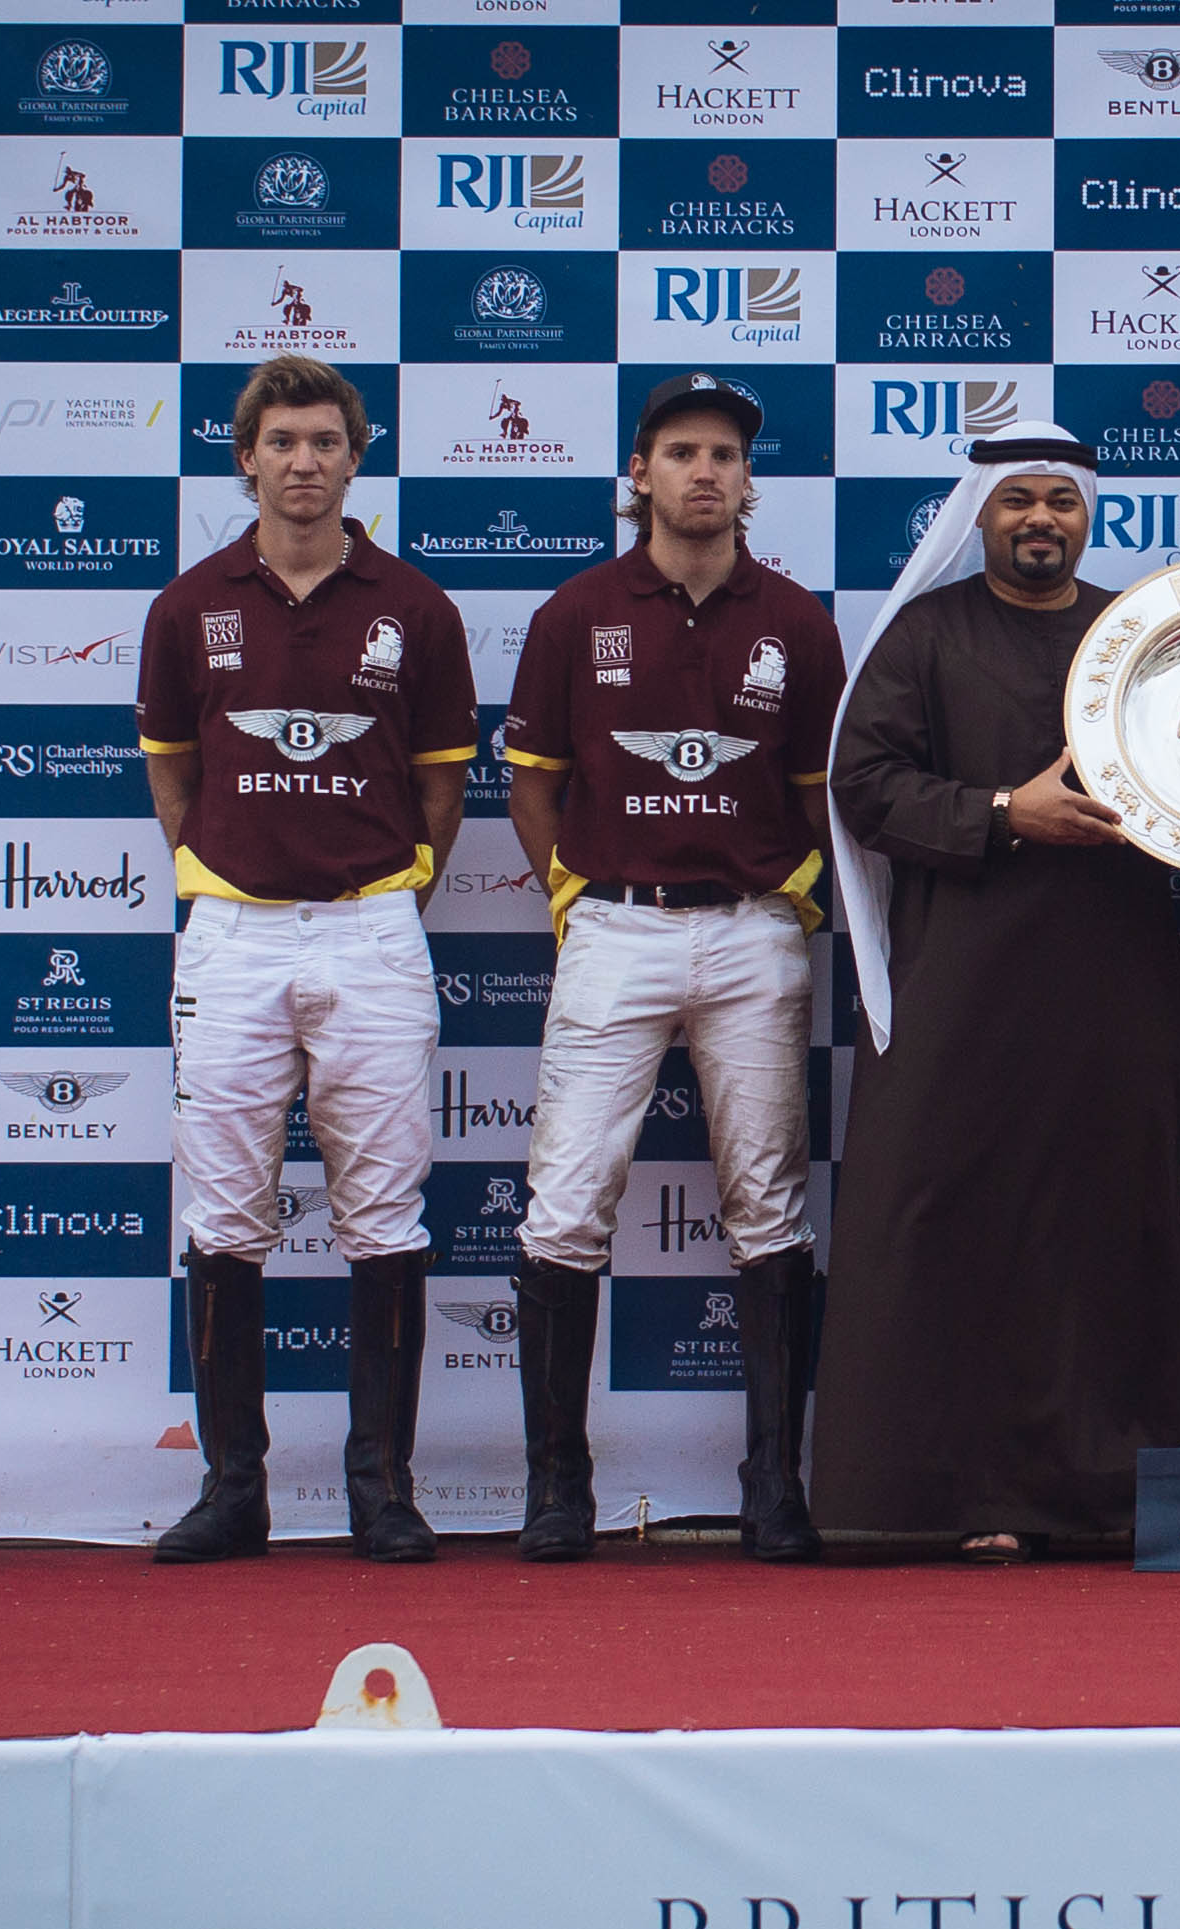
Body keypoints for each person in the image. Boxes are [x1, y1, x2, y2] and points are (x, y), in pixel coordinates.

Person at [809, 425, 1180, 1560]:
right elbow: (863, 783)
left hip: (1114, 979)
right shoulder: (925, 634)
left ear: (1088, 516)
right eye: (1017, 499)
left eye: (1060, 502)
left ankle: (1093, 1502)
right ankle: (925, 1498)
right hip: (957, 977)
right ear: (979, 513)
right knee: (938, 1217)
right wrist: (1000, 813)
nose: (1039, 520)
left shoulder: (1140, 637)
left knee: (1100, 1224)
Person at [495, 374, 842, 1564]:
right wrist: (574, 894)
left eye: (726, 455)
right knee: (566, 1205)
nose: (706, 471)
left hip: (751, 931)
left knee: (769, 1208)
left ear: (748, 481)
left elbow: (818, 796)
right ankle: (557, 1488)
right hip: (617, 927)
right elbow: (533, 783)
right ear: (638, 474)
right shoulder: (576, 612)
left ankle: (773, 1487)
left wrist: (794, 901)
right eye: (683, 452)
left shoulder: (794, 620)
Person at [138, 354, 476, 1563]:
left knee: (382, 1214)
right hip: (230, 934)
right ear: (246, 458)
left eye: (325, 440)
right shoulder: (190, 606)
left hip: (370, 928)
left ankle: (382, 1490)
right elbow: (172, 770)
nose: (303, 461)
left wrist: (390, 894)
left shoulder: (415, 608)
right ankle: (234, 1487)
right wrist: (219, 872)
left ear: (355, 456)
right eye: (281, 441)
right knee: (226, 1214)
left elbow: (442, 787)